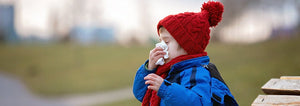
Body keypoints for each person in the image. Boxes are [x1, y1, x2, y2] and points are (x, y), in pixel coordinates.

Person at [133, 1, 238, 106]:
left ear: (186, 46)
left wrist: (165, 89)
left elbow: (198, 102)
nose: (160, 46)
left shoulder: (196, 72)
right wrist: (149, 69)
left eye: (166, 42)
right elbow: (141, 94)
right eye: (160, 41)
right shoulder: (166, 70)